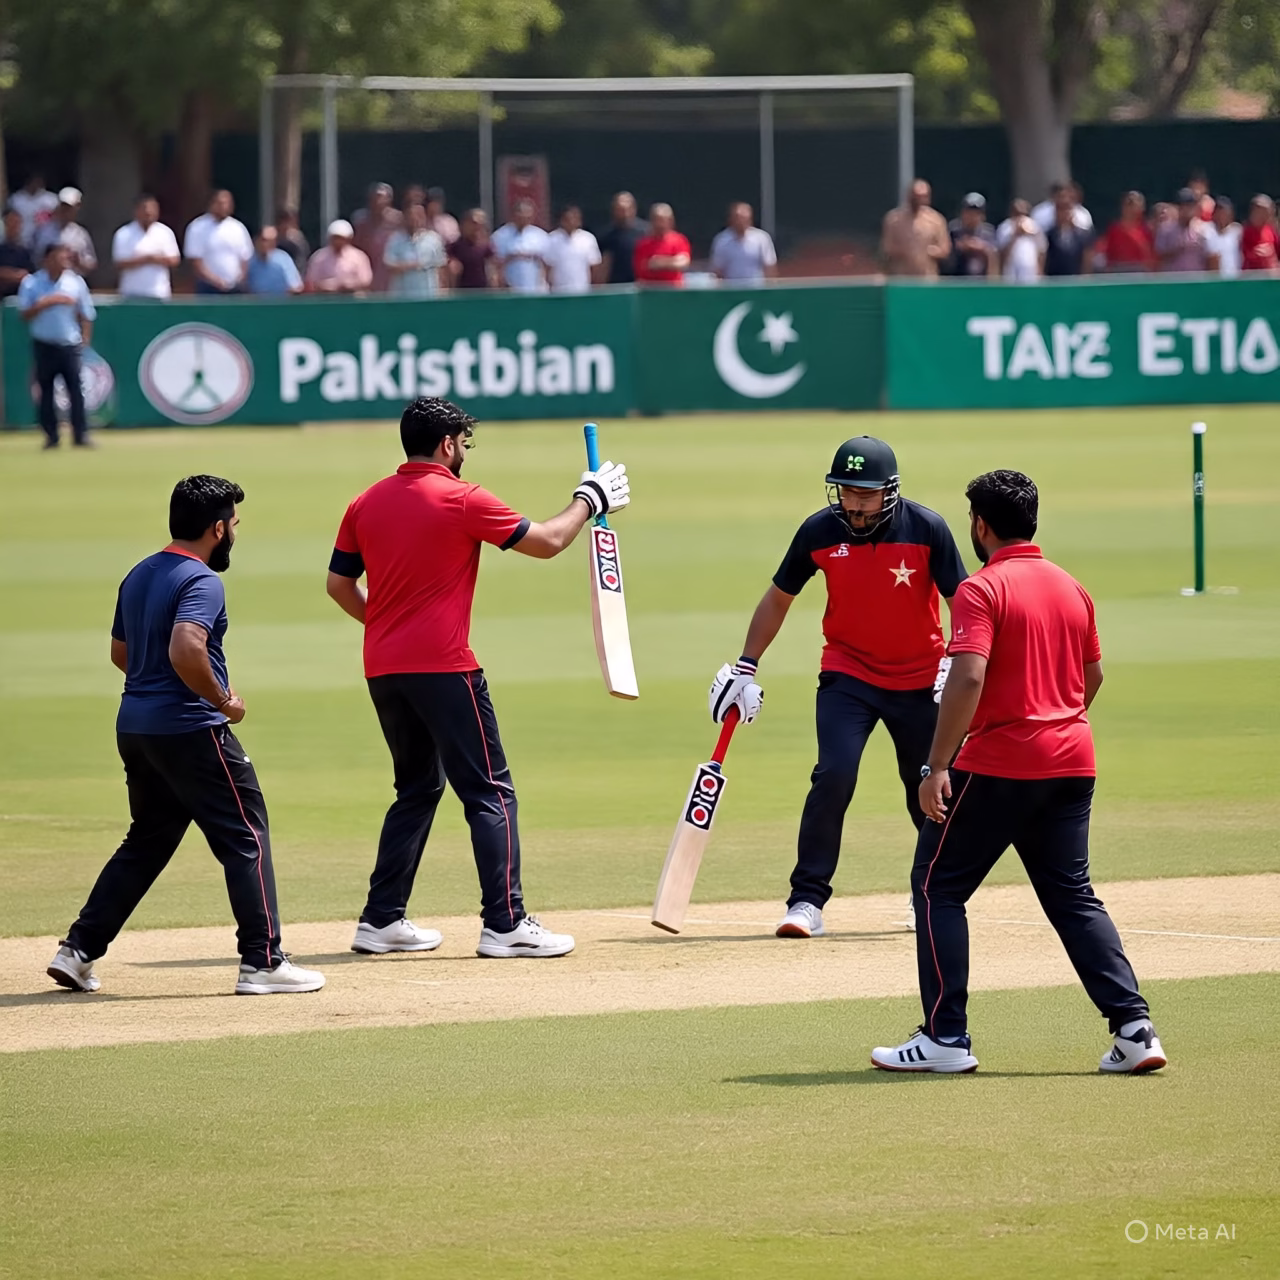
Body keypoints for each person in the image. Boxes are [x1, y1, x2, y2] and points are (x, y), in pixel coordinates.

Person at [872, 470, 1164, 1076]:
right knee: (1072, 895)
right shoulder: (1070, 587)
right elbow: (1093, 678)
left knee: (936, 887)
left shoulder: (981, 589)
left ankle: (945, 1038)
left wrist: (936, 765)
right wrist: (1056, 723)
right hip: (1072, 761)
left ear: (979, 524)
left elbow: (968, 677)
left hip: (1001, 764)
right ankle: (1134, 1029)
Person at [325, 398, 632, 958]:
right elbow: (546, 542)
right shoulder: (463, 497)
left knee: (417, 789)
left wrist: (392, 625)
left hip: (384, 668)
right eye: (464, 443)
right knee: (490, 792)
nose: (465, 452)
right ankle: (505, 923)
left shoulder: (364, 502)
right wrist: (590, 500)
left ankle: (381, 920)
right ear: (447, 444)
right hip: (444, 667)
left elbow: (338, 586)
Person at [47, 476, 325, 997]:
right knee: (246, 837)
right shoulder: (201, 581)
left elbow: (121, 654)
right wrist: (222, 698)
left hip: (135, 728)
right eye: (234, 526)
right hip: (191, 730)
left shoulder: (139, 574)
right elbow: (185, 647)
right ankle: (263, 962)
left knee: (148, 839)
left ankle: (77, 951)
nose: (235, 535)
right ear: (217, 529)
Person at [709, 436, 967, 939]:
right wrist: (746, 665)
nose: (853, 502)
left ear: (889, 490)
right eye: (845, 490)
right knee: (833, 776)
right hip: (848, 677)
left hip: (921, 682)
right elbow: (778, 598)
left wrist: (955, 659)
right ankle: (806, 901)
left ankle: (930, 897)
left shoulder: (928, 529)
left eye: (865, 494)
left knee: (929, 790)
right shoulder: (819, 531)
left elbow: (963, 599)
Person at [18, 243, 96, 449]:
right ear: (47, 260)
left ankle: (81, 435)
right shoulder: (32, 283)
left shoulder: (76, 282)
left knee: (76, 391)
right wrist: (47, 302)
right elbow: (24, 314)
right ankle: (51, 436)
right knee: (46, 391)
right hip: (44, 343)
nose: (64, 261)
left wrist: (85, 339)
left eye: (66, 257)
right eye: (59, 257)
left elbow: (86, 314)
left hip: (69, 344)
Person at [183, 190, 253, 295]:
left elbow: (245, 258)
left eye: (227, 203)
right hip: (208, 288)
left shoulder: (238, 228)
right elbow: (195, 261)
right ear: (212, 204)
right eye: (220, 203)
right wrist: (217, 282)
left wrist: (240, 279)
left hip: (235, 288)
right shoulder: (197, 227)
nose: (224, 206)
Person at [112, 195, 181, 299]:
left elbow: (174, 260)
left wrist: (156, 259)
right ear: (136, 211)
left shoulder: (165, 232)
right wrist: (145, 259)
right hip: (131, 292)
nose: (148, 213)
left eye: (152, 209)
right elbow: (119, 263)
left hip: (159, 292)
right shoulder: (124, 233)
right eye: (144, 209)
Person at [880, 179, 950, 278]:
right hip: (901, 277)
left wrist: (931, 251)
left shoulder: (937, 220)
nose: (918, 200)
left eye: (922, 197)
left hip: (927, 279)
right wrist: (906, 250)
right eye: (916, 196)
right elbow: (887, 247)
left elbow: (945, 249)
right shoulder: (893, 219)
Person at [383, 203, 448, 298]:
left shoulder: (434, 239)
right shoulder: (395, 239)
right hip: (402, 295)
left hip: (428, 295)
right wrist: (413, 265)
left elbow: (441, 266)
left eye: (419, 215)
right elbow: (389, 264)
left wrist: (443, 290)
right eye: (411, 215)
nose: (415, 219)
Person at [33, 188, 98, 276]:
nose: (65, 211)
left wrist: (77, 261)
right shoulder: (43, 232)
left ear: (77, 207)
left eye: (69, 208)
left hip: (73, 282)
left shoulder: (81, 234)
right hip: (48, 283)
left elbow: (91, 265)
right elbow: (35, 260)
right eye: (63, 206)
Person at [352, 182, 402, 293]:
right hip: (368, 266)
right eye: (375, 197)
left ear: (389, 199)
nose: (378, 201)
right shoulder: (361, 221)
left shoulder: (398, 220)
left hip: (390, 268)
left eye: (381, 197)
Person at [492, 198, 550, 293]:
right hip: (509, 289)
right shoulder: (500, 236)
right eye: (520, 213)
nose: (524, 216)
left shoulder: (541, 236)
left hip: (536, 289)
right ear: (513, 214)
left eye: (528, 213)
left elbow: (547, 264)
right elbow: (495, 264)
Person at [709, 201, 777, 282]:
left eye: (745, 218)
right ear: (731, 219)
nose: (741, 222)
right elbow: (717, 270)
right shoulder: (721, 240)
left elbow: (769, 266)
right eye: (738, 218)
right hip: (731, 289)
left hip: (756, 289)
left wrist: (770, 289)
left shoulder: (762, 238)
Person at [543, 204, 601, 294]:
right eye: (567, 219)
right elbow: (547, 266)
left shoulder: (588, 238)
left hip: (582, 292)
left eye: (574, 218)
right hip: (558, 292)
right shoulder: (552, 239)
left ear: (579, 221)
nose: (571, 221)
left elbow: (595, 266)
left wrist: (595, 289)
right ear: (562, 220)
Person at [1092, 191, 1155, 273]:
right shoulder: (1114, 229)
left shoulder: (1147, 229)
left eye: (1134, 203)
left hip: (1141, 274)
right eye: (1128, 203)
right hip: (1118, 273)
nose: (1131, 207)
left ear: (1142, 207)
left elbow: (1152, 257)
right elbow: (1105, 251)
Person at [304, 219, 373, 294]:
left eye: (341, 238)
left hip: (352, 298)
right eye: (335, 238)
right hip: (325, 299)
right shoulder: (319, 257)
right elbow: (311, 281)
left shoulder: (359, 257)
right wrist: (326, 285)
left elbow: (366, 280)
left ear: (349, 238)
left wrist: (347, 285)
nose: (338, 241)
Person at [1155, 188, 1213, 272]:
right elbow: (1159, 257)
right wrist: (1178, 249)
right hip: (1174, 280)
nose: (1187, 210)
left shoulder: (1203, 229)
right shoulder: (1166, 229)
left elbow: (1209, 258)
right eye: (1184, 206)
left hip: (1197, 280)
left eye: (1190, 206)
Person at [633, 202, 692, 285]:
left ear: (670, 221)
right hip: (650, 291)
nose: (659, 224)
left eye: (663, 220)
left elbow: (683, 262)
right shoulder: (643, 244)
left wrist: (660, 262)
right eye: (656, 220)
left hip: (673, 291)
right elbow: (642, 267)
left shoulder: (679, 240)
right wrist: (672, 261)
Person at [598, 191, 649, 286]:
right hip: (615, 288)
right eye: (620, 210)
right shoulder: (606, 236)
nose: (625, 214)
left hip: (641, 286)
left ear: (634, 209)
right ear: (614, 210)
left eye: (627, 209)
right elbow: (602, 266)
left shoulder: (646, 232)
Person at [1044, 185, 1094, 276]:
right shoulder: (1048, 235)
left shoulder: (1083, 235)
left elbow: (1087, 260)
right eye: (1061, 209)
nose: (1064, 213)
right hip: (1054, 283)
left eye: (1067, 209)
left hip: (1076, 282)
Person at [944, 193, 997, 277]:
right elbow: (946, 256)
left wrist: (982, 248)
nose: (972, 217)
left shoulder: (989, 232)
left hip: (982, 280)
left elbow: (994, 257)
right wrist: (960, 246)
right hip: (958, 279)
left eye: (976, 213)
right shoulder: (954, 230)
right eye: (968, 212)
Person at [245, 225, 304, 295]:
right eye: (264, 240)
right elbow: (243, 286)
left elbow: (296, 286)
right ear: (256, 240)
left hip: (280, 303)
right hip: (256, 303)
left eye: (272, 241)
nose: (268, 244)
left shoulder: (283, 259)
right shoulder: (249, 261)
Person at [996, 199, 1046, 281]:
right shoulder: (1005, 228)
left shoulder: (1035, 227)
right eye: (1017, 213)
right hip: (1010, 273)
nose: (1021, 217)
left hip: (1031, 272)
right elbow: (1001, 253)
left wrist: (1040, 270)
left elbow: (1042, 251)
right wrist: (1015, 235)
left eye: (1023, 213)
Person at [448, 209, 496, 289]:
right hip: (461, 292)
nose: (477, 227)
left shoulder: (486, 246)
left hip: (483, 291)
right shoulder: (454, 247)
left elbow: (493, 267)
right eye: (474, 223)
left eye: (481, 224)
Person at [10, 171, 58, 248]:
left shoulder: (52, 200)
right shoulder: (16, 200)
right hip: (21, 243)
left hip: (44, 242)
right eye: (34, 180)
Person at [0, 209, 35, 298]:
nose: (13, 226)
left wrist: (6, 274)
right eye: (10, 223)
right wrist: (14, 275)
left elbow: (28, 275)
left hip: (18, 298)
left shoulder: (24, 252)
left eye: (16, 223)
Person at [1204, 196, 1242, 278]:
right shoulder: (1207, 231)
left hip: (1235, 279)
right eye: (1219, 211)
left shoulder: (1236, 231)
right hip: (1215, 281)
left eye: (1225, 212)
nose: (1222, 215)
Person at [1240, 194, 1279, 273]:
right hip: (1250, 277)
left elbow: (1277, 252)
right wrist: (1256, 253)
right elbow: (1241, 254)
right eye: (1264, 210)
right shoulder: (1243, 231)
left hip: (1269, 277)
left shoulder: (1270, 229)